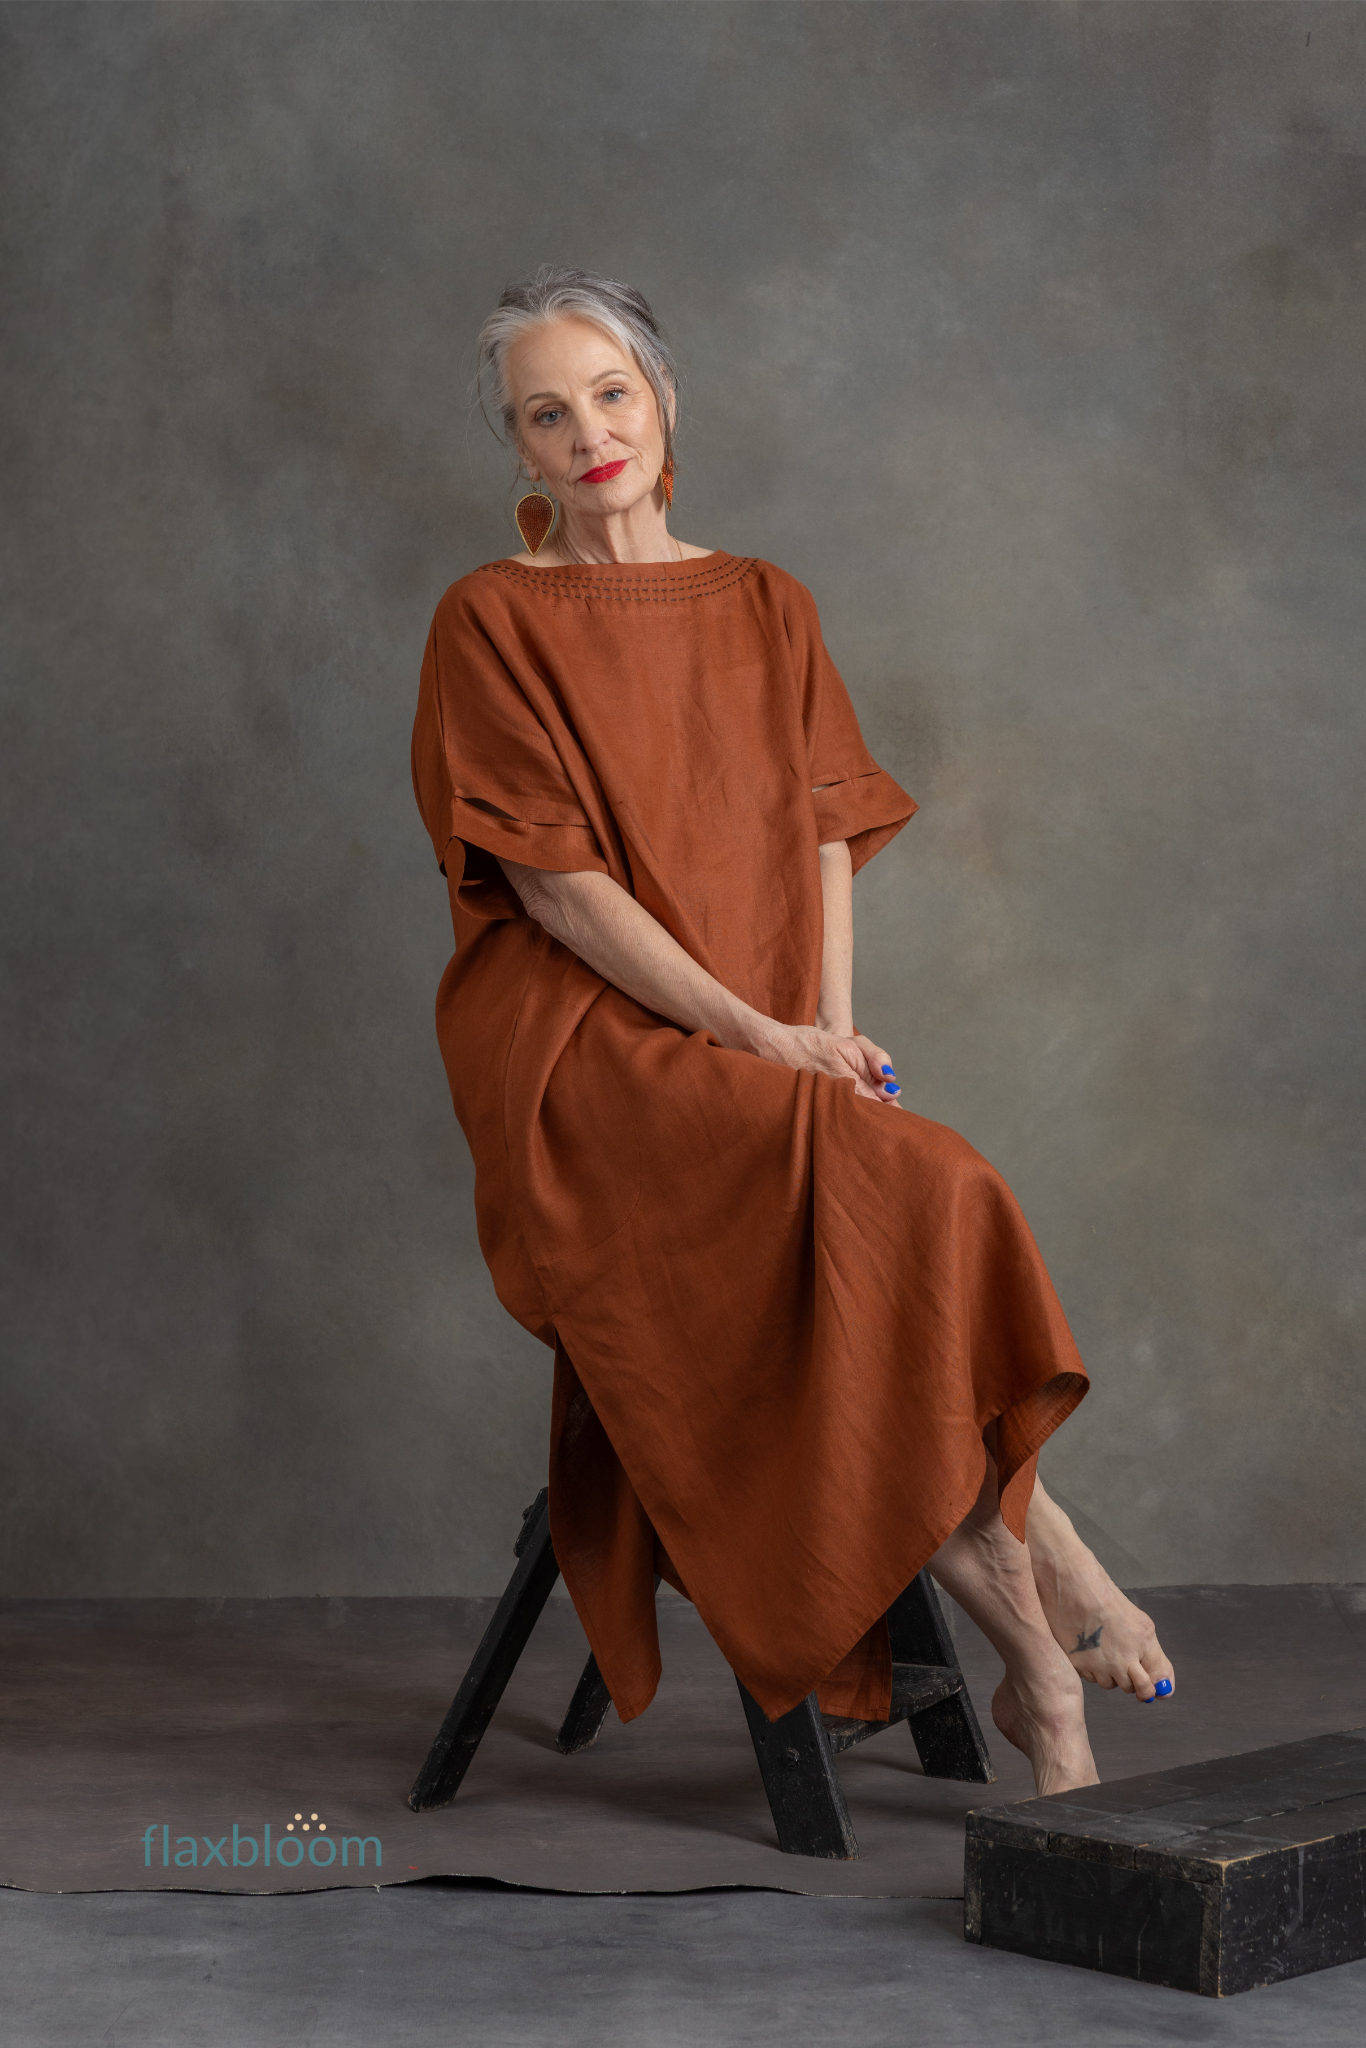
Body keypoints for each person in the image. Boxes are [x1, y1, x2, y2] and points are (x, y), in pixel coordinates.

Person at [411, 266, 1173, 1800]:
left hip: (762, 1041)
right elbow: (557, 895)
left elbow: (824, 829)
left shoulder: (766, 602)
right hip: (584, 1058)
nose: (588, 433)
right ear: (518, 451)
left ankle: (1046, 1648)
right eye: (545, 414)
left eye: (611, 394)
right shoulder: (489, 619)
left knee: (902, 1206)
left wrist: (825, 1034)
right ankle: (1056, 1625)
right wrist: (761, 1040)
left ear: (664, 401)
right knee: (892, 1209)